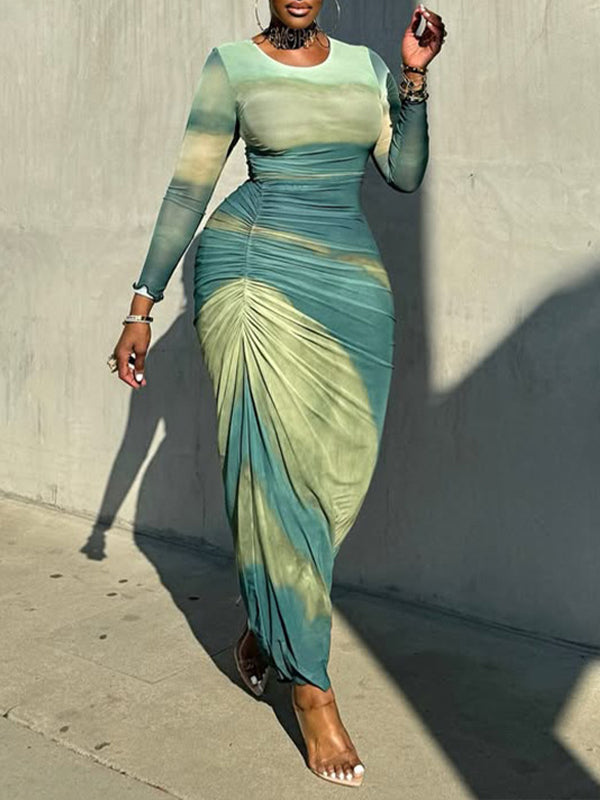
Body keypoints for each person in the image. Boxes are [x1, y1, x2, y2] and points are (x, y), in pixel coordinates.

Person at [108, 0, 446, 787]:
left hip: (347, 282)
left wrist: (414, 80)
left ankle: (267, 627)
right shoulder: (233, 65)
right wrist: (141, 307)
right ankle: (312, 690)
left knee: (338, 475)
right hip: (252, 271)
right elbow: (189, 189)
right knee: (276, 478)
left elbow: (403, 173)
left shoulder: (366, 66)